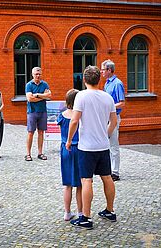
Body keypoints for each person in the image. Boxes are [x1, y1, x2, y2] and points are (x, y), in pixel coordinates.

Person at [66, 66, 117, 229]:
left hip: (86, 147)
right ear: (99, 79)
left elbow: (74, 121)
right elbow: (113, 122)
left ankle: (86, 217)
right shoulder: (108, 97)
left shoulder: (81, 96)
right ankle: (110, 210)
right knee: (107, 177)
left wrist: (68, 140)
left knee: (86, 180)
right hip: (103, 146)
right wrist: (106, 135)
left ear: (84, 80)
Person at [57, 89, 82, 221]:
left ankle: (67, 212)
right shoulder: (80, 116)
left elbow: (60, 127)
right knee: (80, 184)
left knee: (67, 184)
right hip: (79, 148)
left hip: (65, 149)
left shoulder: (62, 115)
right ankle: (81, 212)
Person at [101, 60, 125, 181]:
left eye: (103, 70)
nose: (102, 72)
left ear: (109, 70)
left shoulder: (117, 84)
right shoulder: (106, 83)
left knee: (114, 145)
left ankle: (115, 172)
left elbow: (122, 103)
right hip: (106, 117)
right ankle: (109, 169)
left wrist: (110, 106)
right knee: (107, 144)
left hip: (114, 117)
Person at [25, 67, 52, 161]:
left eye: (39, 74)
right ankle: (28, 154)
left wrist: (36, 95)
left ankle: (40, 153)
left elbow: (49, 96)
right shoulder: (29, 85)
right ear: (32, 74)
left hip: (42, 111)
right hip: (32, 111)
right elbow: (29, 99)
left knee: (41, 132)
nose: (38, 75)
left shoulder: (45, 84)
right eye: (36, 74)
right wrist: (42, 96)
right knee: (30, 132)